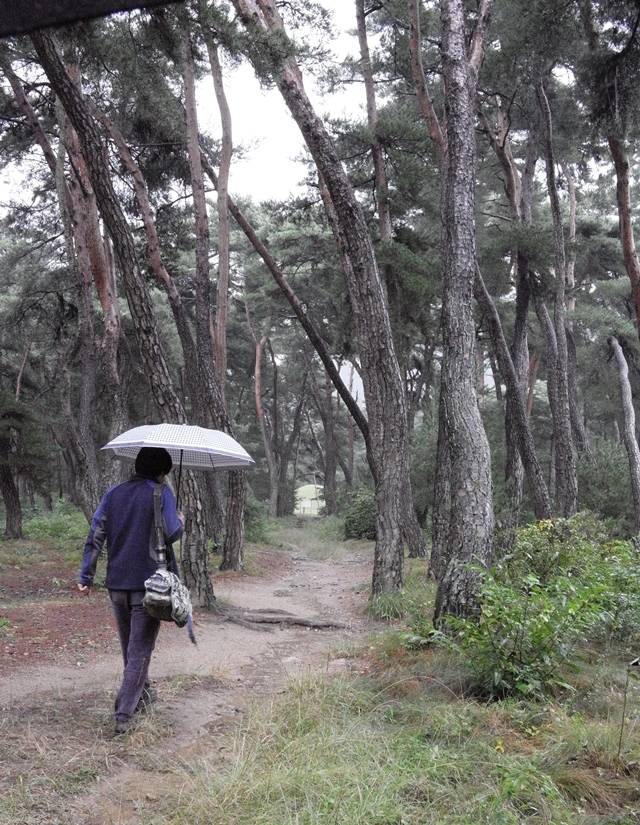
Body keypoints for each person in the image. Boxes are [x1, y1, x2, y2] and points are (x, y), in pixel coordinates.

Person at [77, 447, 184, 735]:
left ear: (136, 465)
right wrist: (181, 520)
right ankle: (124, 714)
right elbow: (173, 533)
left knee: (131, 648)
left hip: (116, 584)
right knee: (140, 650)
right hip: (151, 586)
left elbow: (96, 533)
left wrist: (86, 575)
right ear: (162, 470)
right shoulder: (161, 493)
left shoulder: (114, 494)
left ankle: (143, 695)